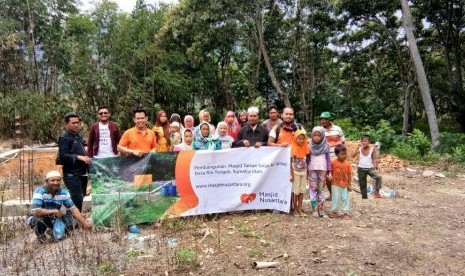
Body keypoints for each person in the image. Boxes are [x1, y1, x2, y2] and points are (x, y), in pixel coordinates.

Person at [28, 170, 92, 243]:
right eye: (52, 180)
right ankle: (41, 236)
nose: (56, 182)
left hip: (56, 218)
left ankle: (53, 231)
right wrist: (54, 211)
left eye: (58, 180)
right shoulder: (40, 191)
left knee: (74, 222)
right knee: (39, 221)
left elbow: (73, 210)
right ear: (47, 181)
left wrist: (85, 224)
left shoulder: (63, 193)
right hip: (41, 217)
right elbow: (35, 211)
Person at [57, 112, 91, 212]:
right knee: (77, 199)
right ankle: (73, 222)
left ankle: (75, 221)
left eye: (77, 122)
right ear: (66, 124)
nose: (76, 125)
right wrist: (79, 157)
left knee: (81, 197)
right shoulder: (64, 138)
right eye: (73, 123)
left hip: (82, 173)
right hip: (72, 174)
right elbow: (63, 156)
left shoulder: (77, 136)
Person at [319, 111, 345, 200]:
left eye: (325, 119)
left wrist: (343, 156)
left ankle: (340, 194)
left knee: (338, 176)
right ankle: (332, 194)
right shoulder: (319, 130)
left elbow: (343, 142)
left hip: (337, 157)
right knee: (327, 177)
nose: (323, 121)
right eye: (322, 119)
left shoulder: (337, 129)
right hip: (325, 157)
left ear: (330, 119)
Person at [308, 126, 332, 218]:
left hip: (323, 170)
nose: (317, 137)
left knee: (321, 189)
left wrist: (330, 172)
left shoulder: (326, 146)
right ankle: (314, 209)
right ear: (312, 135)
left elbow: (328, 160)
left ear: (322, 136)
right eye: (315, 135)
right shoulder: (309, 146)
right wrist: (306, 170)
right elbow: (307, 159)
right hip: (312, 170)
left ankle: (321, 209)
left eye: (319, 135)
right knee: (313, 189)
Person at [351, 135, 383, 199]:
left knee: (378, 177)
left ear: (369, 141)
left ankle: (377, 193)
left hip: (369, 168)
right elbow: (352, 156)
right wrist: (356, 148)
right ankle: (364, 197)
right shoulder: (360, 149)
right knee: (362, 184)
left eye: (365, 141)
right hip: (361, 168)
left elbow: (374, 159)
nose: (363, 143)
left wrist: (375, 168)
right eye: (362, 141)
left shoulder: (372, 149)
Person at [328, 145, 352, 219]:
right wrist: (329, 176)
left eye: (345, 153)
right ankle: (333, 211)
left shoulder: (347, 164)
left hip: (345, 185)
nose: (344, 155)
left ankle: (346, 212)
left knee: (345, 198)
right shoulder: (333, 162)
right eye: (342, 154)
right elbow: (329, 171)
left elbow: (349, 174)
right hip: (335, 184)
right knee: (335, 198)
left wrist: (349, 184)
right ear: (336, 154)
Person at [290, 130, 309, 217]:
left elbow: (306, 161)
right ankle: (294, 209)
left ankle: (300, 208)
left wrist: (307, 172)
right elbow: (290, 162)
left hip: (304, 172)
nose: (301, 140)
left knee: (302, 190)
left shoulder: (305, 147)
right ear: (295, 138)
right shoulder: (292, 148)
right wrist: (291, 173)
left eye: (303, 139)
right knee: (295, 191)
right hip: (295, 172)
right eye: (299, 138)